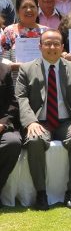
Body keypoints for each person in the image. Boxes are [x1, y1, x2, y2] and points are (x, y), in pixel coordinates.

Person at [15, 29, 71, 210]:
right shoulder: (26, 69)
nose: (52, 47)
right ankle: (41, 193)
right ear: (40, 46)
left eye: (56, 44)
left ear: (62, 47)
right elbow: (21, 98)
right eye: (47, 43)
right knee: (34, 140)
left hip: (66, 121)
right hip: (40, 122)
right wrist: (31, 122)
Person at [1, 0, 48, 70]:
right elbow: (3, 60)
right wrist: (15, 66)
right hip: (17, 76)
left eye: (32, 6)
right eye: (24, 7)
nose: (29, 10)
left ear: (38, 9)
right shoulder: (9, 31)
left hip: (42, 76)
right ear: (17, 11)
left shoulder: (47, 32)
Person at [0, 58, 21, 206]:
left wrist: (2, 123)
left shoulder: (4, 70)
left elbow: (12, 103)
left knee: (12, 143)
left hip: (1, 125)